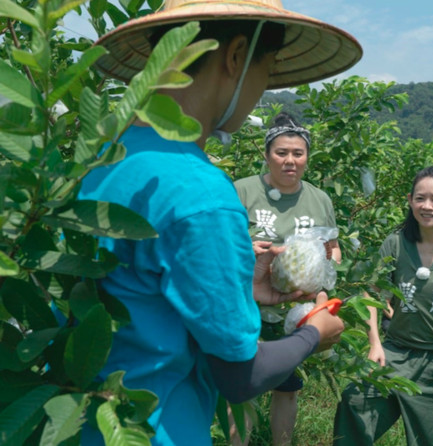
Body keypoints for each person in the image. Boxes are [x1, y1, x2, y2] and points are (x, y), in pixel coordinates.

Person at [81, 1, 362, 445]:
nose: (262, 90)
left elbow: (140, 288)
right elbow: (240, 376)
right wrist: (312, 333)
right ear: (236, 58)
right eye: (266, 72)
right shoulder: (202, 194)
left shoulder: (103, 161)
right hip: (155, 429)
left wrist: (240, 287)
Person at [333, 166, 433, 446]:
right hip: (396, 353)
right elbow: (371, 297)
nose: (427, 206)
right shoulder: (395, 244)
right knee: (355, 402)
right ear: (410, 200)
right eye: (420, 198)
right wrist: (375, 343)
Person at [234, 112, 341, 445]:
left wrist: (321, 270)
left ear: (307, 157)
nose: (290, 160)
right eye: (281, 153)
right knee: (241, 390)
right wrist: (248, 250)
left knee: (287, 389)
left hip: (295, 312)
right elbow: (222, 242)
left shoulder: (319, 199)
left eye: (298, 153)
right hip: (247, 305)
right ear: (267, 155)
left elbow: (333, 250)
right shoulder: (243, 191)